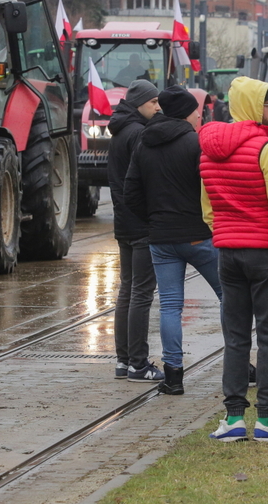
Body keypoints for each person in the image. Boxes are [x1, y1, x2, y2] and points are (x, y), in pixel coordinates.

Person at [200, 76, 268, 443]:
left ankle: (232, 419)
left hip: (228, 254)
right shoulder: (266, 150)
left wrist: (227, 235)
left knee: (235, 337)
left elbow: (208, 210)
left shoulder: (209, 150)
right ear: (250, 106)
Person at [123, 86, 223, 396]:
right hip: (198, 236)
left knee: (169, 306)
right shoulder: (196, 143)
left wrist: (153, 220)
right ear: (186, 112)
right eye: (197, 110)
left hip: (161, 239)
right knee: (229, 296)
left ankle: (174, 376)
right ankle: (240, 364)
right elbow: (211, 189)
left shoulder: (144, 142)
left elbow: (131, 193)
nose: (200, 115)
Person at [107, 80, 165, 384]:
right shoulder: (139, 134)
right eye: (153, 102)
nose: (158, 107)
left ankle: (123, 360)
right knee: (141, 292)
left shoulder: (120, 132)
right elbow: (146, 180)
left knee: (128, 290)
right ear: (139, 103)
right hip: (141, 223)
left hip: (123, 222)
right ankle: (139, 365)